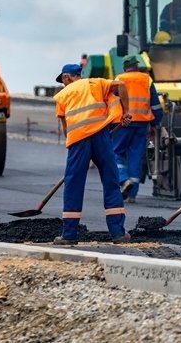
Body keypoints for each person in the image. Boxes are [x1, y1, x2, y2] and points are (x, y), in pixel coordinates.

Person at [52, 63, 133, 245]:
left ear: (67, 78)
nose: (63, 84)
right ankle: (118, 233)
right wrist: (126, 111)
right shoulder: (95, 83)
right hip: (101, 136)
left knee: (73, 184)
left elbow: (66, 130)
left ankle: (69, 235)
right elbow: (120, 85)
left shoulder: (62, 96)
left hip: (78, 141)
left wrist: (75, 151)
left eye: (63, 81)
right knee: (111, 181)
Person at [112, 54, 163, 203]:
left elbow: (112, 101)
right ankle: (132, 194)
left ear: (124, 68)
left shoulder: (119, 79)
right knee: (135, 157)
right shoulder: (147, 79)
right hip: (142, 124)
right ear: (137, 66)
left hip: (123, 123)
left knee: (115, 152)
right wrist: (156, 124)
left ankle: (123, 179)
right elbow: (155, 105)